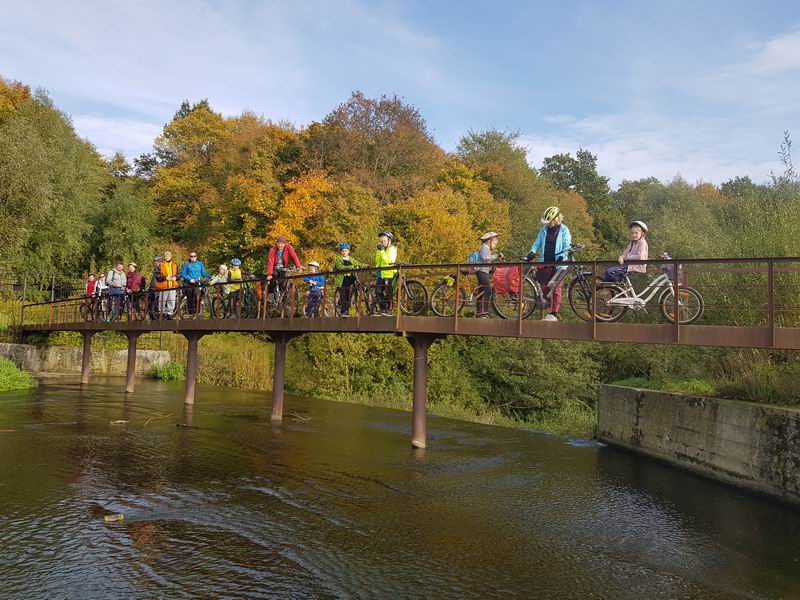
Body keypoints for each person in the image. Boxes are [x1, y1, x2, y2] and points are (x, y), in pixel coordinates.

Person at [527, 206, 572, 322]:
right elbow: (537, 243)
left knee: (556, 288)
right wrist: (532, 252)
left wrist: (562, 256)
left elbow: (567, 245)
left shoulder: (564, 230)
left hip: (559, 264)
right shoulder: (543, 230)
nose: (549, 224)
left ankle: (553, 313)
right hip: (545, 262)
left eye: (550, 221)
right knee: (545, 288)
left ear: (557, 219)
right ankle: (547, 312)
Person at [603, 221, 649, 286]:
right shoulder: (632, 243)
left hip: (635, 266)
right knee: (606, 277)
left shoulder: (642, 242)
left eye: (636, 233)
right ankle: (617, 290)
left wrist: (627, 257)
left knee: (609, 272)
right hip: (627, 265)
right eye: (632, 233)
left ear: (642, 234)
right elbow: (625, 253)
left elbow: (640, 257)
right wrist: (621, 257)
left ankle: (620, 287)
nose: (634, 235)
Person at [333, 242, 367, 316]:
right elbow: (340, 267)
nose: (344, 252)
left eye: (346, 250)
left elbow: (357, 263)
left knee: (348, 294)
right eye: (342, 251)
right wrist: (351, 267)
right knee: (344, 296)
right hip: (341, 280)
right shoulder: (338, 258)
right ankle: (344, 312)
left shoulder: (351, 259)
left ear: (348, 251)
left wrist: (365, 265)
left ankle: (355, 294)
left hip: (349, 279)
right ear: (340, 252)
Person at [475, 232, 503, 318]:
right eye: (494, 242)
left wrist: (493, 268)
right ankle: (485, 312)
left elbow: (487, 261)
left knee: (482, 291)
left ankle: (479, 312)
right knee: (488, 291)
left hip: (483, 271)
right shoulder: (485, 247)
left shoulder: (486, 248)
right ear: (489, 241)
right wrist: (496, 255)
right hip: (482, 271)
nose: (495, 244)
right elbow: (485, 258)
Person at [266, 235, 303, 302]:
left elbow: (294, 257)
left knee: (284, 280)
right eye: (279, 244)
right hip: (275, 267)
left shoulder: (288, 247)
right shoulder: (273, 250)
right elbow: (270, 262)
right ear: (276, 244)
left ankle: (281, 295)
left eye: (282, 244)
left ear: (285, 244)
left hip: (283, 268)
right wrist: (269, 274)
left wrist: (299, 267)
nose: (280, 245)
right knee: (274, 277)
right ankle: (270, 293)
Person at [180, 251, 211, 316]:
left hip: (197, 283)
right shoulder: (187, 264)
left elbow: (204, 273)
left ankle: (197, 313)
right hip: (189, 283)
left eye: (194, 256)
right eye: (191, 256)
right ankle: (191, 313)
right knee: (190, 298)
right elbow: (183, 274)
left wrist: (212, 276)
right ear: (189, 257)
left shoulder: (200, 264)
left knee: (197, 296)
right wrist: (189, 279)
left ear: (196, 257)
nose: (193, 257)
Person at [375, 231, 398, 316]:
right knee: (378, 291)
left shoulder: (392, 249)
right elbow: (378, 261)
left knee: (388, 292)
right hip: (381, 273)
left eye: (384, 241)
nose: (382, 243)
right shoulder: (382, 250)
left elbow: (388, 261)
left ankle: (389, 310)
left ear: (389, 241)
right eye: (381, 241)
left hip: (388, 273)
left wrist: (382, 251)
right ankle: (382, 309)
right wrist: (379, 251)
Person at [154, 250, 179, 319]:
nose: (167, 257)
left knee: (172, 300)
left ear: (170, 257)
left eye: (168, 256)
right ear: (164, 257)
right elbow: (157, 275)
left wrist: (176, 277)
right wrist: (165, 278)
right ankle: (161, 313)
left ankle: (169, 314)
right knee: (162, 300)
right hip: (163, 286)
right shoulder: (160, 265)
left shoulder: (175, 265)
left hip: (172, 286)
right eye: (166, 256)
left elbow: (179, 274)